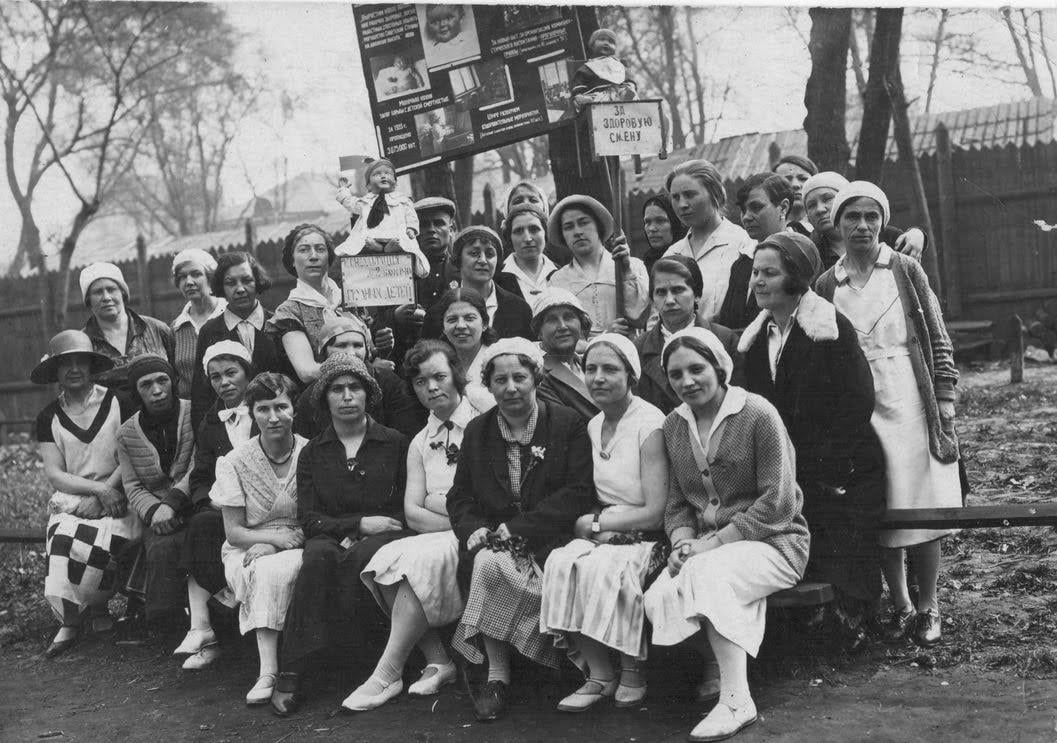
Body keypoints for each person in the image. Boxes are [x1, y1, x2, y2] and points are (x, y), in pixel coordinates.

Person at [644, 327, 809, 742]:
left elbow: (778, 500)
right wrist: (683, 544)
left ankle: (738, 700)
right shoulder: (674, 425)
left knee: (707, 576)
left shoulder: (757, 413)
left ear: (719, 367)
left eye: (697, 369)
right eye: (676, 373)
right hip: (707, 549)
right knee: (659, 596)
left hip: (776, 543)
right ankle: (719, 667)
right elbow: (679, 503)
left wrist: (709, 546)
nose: (687, 381)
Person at [815, 181, 961, 648]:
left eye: (871, 216)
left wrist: (945, 399)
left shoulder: (905, 269)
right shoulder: (826, 284)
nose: (862, 225)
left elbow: (936, 334)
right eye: (852, 217)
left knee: (921, 504)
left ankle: (928, 605)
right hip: (856, 406)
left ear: (882, 221)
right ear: (837, 225)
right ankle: (898, 604)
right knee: (879, 504)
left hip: (909, 397)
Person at [738, 232, 886, 647]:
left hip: (844, 461)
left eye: (770, 272)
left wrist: (825, 464)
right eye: (755, 273)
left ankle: (852, 618)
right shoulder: (754, 341)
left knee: (842, 536)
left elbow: (858, 398)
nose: (758, 281)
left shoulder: (828, 327)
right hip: (786, 464)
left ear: (798, 278)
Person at [447, 337, 595, 722]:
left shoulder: (566, 424)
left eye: (519, 377)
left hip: (550, 537)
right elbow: (459, 497)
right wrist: (473, 529)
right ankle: (497, 674)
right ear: (489, 385)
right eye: (500, 380)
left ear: (536, 378)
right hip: (497, 540)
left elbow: (578, 492)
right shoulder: (478, 430)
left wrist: (517, 528)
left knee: (497, 564)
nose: (510, 388)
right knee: (486, 562)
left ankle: (550, 661)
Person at [270, 354, 412, 716]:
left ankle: (362, 663)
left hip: (387, 534)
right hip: (333, 535)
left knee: (364, 558)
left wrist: (371, 530)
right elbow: (310, 518)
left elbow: (403, 510)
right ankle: (293, 669)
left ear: (368, 395)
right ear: (324, 398)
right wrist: (358, 525)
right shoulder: (313, 452)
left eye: (355, 388)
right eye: (337, 389)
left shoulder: (394, 443)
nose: (347, 396)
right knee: (318, 557)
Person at [347, 341, 485, 711]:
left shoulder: (481, 423)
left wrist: (444, 510)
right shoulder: (421, 442)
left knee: (415, 564)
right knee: (384, 560)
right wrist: (448, 511)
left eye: (439, 377)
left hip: (472, 530)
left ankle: (386, 673)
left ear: (456, 375)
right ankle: (438, 659)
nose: (432, 388)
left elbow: (483, 498)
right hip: (440, 529)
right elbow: (412, 510)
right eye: (422, 382)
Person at [540, 334, 668, 711]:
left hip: (648, 534)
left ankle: (632, 670)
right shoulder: (594, 425)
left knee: (610, 568)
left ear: (631, 376)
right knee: (562, 564)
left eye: (610, 369)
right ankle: (599, 674)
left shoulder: (650, 424)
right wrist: (596, 527)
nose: (598, 378)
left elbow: (656, 510)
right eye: (591, 369)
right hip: (607, 528)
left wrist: (596, 525)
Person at [32, 330, 141, 658]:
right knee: (63, 538)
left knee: (109, 541)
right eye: (66, 364)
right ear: (55, 371)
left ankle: (98, 609)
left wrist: (109, 491)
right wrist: (97, 491)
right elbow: (55, 473)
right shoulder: (48, 416)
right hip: (81, 498)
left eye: (81, 361)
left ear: (92, 365)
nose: (74, 369)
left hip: (123, 492)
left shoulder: (119, 401)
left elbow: (131, 452)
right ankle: (70, 620)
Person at [211, 372, 306, 706]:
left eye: (281, 406)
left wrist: (278, 542)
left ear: (295, 408)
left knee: (277, 569)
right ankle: (268, 671)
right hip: (245, 548)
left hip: (300, 540)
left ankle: (281, 669)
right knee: (264, 570)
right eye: (263, 409)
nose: (273, 417)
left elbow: (321, 519)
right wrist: (267, 540)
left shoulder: (311, 454)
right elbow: (234, 532)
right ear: (251, 413)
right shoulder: (234, 462)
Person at [178, 341, 258, 671]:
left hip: (268, 505)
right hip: (227, 507)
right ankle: (207, 630)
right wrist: (207, 500)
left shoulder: (266, 409)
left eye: (231, 373)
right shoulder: (211, 423)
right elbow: (199, 475)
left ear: (246, 374)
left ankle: (210, 629)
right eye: (214, 377)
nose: (223, 382)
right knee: (200, 527)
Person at [117, 355, 196, 631]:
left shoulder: (195, 412)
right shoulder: (126, 433)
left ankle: (207, 618)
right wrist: (154, 512)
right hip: (155, 513)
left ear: (173, 382)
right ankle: (167, 622)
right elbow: (132, 485)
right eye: (146, 384)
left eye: (162, 381)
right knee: (160, 545)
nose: (157, 390)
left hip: (193, 501)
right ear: (136, 392)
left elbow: (200, 465)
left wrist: (173, 503)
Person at [191, 251, 290, 431]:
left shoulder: (280, 324)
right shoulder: (210, 331)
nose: (240, 289)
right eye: (230, 283)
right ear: (221, 286)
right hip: (230, 429)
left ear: (257, 281)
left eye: (246, 280)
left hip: (276, 426)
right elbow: (201, 395)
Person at [635, 255, 739, 414]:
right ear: (653, 299)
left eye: (678, 290)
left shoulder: (725, 339)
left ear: (697, 294)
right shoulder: (639, 348)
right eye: (661, 292)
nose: (669, 300)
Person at [293, 315, 424, 439]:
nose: (351, 353)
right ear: (324, 351)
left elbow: (406, 435)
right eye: (341, 345)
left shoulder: (390, 384)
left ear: (366, 350)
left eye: (358, 345)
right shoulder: (310, 397)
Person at [662, 160, 756, 322]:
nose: (682, 204)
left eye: (690, 195)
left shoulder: (744, 246)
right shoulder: (671, 254)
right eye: (675, 197)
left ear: (716, 195)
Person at [548, 195, 649, 338]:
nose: (577, 232)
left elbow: (640, 317)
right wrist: (606, 335)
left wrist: (625, 271)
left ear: (598, 226)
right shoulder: (557, 281)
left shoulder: (634, 267)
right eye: (568, 227)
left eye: (583, 223)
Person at [79, 262, 175, 401]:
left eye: (111, 289)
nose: (106, 297)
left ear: (123, 293)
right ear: (88, 299)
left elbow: (177, 376)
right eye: (98, 292)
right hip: (109, 420)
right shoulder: (83, 342)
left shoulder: (156, 329)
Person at [421, 226, 534, 341]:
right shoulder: (438, 312)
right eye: (474, 253)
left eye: (490, 254)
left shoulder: (519, 309)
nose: (483, 260)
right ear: (459, 259)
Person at [266, 224, 345, 384]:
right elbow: (307, 372)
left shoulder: (347, 298)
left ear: (329, 257)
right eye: (304, 250)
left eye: (320, 249)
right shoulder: (289, 312)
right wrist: (361, 365)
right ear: (292, 261)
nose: (313, 256)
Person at [801, 171, 927, 270]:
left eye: (827, 198)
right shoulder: (810, 253)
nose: (819, 209)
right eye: (811, 205)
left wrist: (918, 234)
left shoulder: (884, 235)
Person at [717, 173, 794, 331]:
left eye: (756, 207)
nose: (746, 217)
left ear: (783, 207)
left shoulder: (800, 257)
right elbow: (727, 323)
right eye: (743, 210)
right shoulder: (742, 263)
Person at [335, 158, 430, 279]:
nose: (383, 176)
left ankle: (389, 248)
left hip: (396, 233)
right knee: (364, 243)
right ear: (368, 185)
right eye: (377, 174)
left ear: (395, 181)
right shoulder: (367, 201)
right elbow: (350, 203)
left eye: (388, 173)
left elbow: (411, 215)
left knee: (402, 244)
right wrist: (344, 189)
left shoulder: (402, 200)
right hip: (372, 234)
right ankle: (379, 248)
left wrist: (411, 228)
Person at [533, 288, 598, 421]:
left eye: (569, 317)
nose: (562, 326)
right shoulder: (538, 375)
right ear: (539, 332)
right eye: (552, 320)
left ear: (581, 324)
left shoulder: (587, 364)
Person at [428, 287, 497, 413]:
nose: (460, 326)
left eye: (469, 318)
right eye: (452, 320)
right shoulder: (440, 364)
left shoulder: (499, 359)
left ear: (485, 323)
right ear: (443, 327)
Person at [170, 249, 225, 400]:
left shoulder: (229, 316)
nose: (188, 282)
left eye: (196, 274)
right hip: (192, 414)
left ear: (210, 277)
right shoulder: (177, 328)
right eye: (182, 277)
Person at [497, 203, 558, 302]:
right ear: (509, 238)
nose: (528, 238)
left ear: (545, 233)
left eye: (534, 229)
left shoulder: (560, 273)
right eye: (518, 231)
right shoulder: (496, 277)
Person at [571, 29, 637, 113]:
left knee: (628, 89)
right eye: (602, 39)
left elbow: (629, 80)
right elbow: (579, 85)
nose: (606, 43)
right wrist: (579, 95)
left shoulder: (620, 64)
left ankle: (625, 96)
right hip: (599, 98)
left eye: (611, 41)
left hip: (619, 95)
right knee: (592, 100)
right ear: (592, 45)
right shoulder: (587, 67)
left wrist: (630, 86)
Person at [640, 193, 688, 275]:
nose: (652, 229)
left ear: (675, 223)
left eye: (660, 221)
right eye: (647, 222)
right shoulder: (644, 265)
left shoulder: (689, 261)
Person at [774, 154, 818, 235]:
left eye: (803, 179)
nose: (795, 185)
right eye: (786, 180)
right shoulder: (768, 231)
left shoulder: (827, 229)